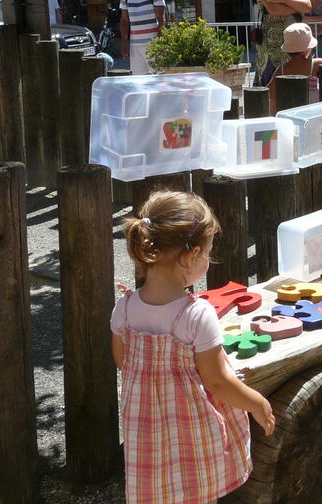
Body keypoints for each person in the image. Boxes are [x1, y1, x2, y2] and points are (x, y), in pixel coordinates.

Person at [111, 191, 274, 503]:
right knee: (194, 492)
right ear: (189, 256)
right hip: (190, 429)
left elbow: (123, 361)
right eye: (207, 254)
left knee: (156, 492)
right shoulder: (196, 314)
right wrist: (257, 404)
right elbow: (217, 381)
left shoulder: (125, 307)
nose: (208, 262)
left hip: (145, 429)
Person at [267, 23, 322, 112]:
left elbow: (270, 93)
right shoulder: (315, 64)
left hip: (290, 111)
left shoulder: (281, 69)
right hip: (313, 111)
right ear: (308, 47)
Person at [119, 0, 166, 76]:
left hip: (153, 44)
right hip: (135, 46)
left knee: (157, 78)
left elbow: (161, 20)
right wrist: (124, 44)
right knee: (138, 81)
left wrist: (160, 44)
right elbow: (124, 21)